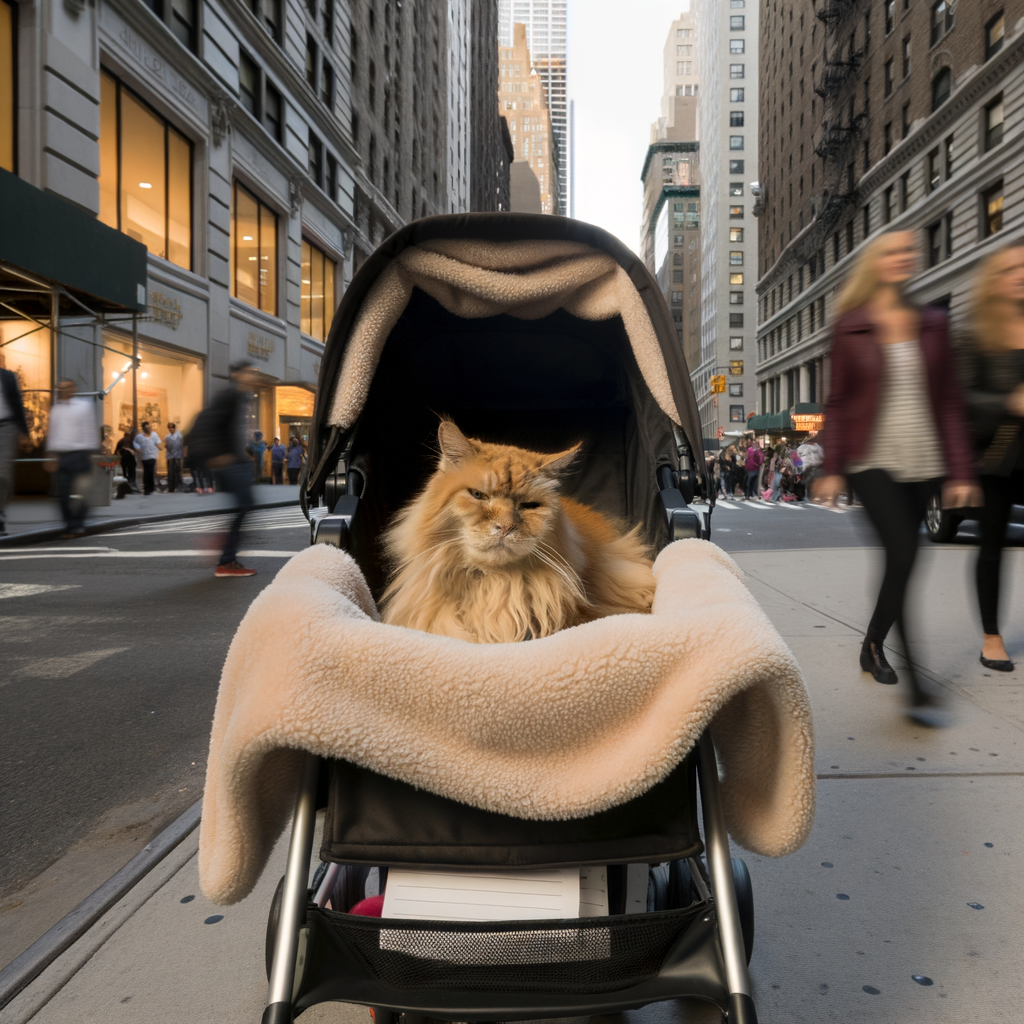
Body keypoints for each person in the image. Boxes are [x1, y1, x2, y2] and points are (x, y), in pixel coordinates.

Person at [814, 230, 978, 725]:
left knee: (903, 564)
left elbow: (949, 400)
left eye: (909, 251)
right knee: (904, 553)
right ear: (875, 263)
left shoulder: (933, 324)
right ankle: (917, 692)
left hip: (924, 461)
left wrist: (961, 469)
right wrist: (833, 467)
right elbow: (839, 402)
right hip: (872, 461)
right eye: (891, 251)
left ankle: (871, 644)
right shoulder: (852, 327)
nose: (902, 257)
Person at [957, 244, 1024, 672]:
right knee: (993, 547)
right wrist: (1009, 400)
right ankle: (991, 636)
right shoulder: (976, 332)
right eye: (1010, 268)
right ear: (992, 280)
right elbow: (961, 399)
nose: (1020, 274)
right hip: (999, 456)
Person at [191, 361, 261, 577]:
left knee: (244, 507)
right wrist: (214, 457)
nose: (253, 376)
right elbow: (205, 423)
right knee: (245, 505)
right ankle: (226, 559)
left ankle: (224, 550)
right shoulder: (229, 396)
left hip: (236, 461)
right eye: (250, 372)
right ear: (238, 374)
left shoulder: (241, 398)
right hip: (228, 462)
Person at [45, 379, 98, 538]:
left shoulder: (84, 407)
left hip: (80, 454)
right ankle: (71, 525)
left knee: (81, 492)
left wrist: (91, 453)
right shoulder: (55, 409)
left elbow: (90, 430)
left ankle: (78, 524)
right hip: (62, 456)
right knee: (63, 494)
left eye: (66, 388)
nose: (62, 391)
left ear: (73, 389)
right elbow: (52, 433)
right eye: (60, 388)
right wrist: (50, 455)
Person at [0, 358, 29, 535]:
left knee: (3, 474)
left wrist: (24, 432)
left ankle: (0, 513)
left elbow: (17, 404)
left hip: (6, 427)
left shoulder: (7, 377)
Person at [133, 421, 162, 495]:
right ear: (143, 429)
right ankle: (148, 488)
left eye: (150, 427)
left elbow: (158, 443)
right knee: (147, 472)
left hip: (152, 456)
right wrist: (138, 449)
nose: (149, 429)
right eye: (147, 428)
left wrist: (159, 446)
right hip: (145, 457)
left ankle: (150, 488)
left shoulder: (154, 435)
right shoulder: (139, 437)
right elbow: (135, 442)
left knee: (150, 472)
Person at [114, 428, 138, 492]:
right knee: (132, 473)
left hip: (125, 459)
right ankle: (131, 485)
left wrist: (118, 459)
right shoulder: (131, 441)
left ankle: (127, 486)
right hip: (129, 459)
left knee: (125, 473)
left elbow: (116, 452)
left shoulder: (121, 441)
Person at [164, 422, 184, 492]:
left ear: (174, 428)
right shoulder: (167, 436)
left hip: (177, 456)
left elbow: (180, 445)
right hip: (170, 456)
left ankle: (178, 486)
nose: (171, 429)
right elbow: (166, 445)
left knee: (177, 472)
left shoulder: (179, 436)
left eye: (172, 428)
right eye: (169, 428)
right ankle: (171, 487)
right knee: (170, 472)